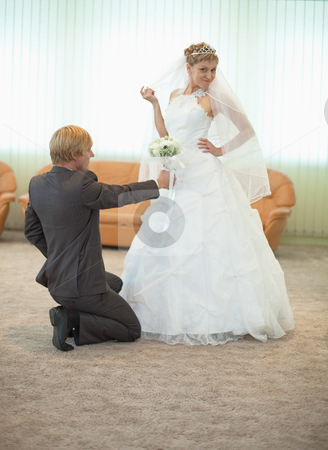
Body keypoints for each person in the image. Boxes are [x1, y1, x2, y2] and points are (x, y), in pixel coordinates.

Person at [120, 42, 295, 345]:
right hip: (179, 175)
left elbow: (247, 130)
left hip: (205, 174)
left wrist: (219, 149)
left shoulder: (215, 96)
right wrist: (155, 105)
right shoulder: (175, 96)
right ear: (188, 68)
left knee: (211, 239)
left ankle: (220, 314)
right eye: (203, 70)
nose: (209, 75)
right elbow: (166, 135)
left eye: (213, 70)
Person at [25, 125, 171, 351]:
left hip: (57, 281)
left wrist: (59, 256)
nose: (92, 154)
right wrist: (158, 184)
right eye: (88, 149)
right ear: (74, 154)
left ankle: (70, 312)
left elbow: (31, 231)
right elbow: (120, 193)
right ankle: (72, 318)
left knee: (116, 283)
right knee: (132, 329)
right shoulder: (82, 184)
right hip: (81, 289)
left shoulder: (36, 184)